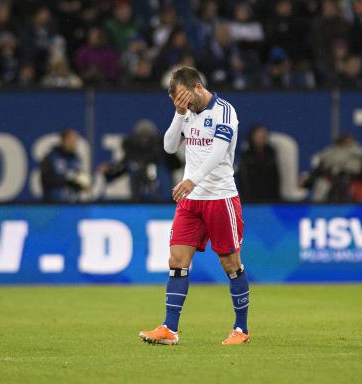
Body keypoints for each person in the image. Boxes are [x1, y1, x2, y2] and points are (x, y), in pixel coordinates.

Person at [139, 67, 250, 346]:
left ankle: (241, 329)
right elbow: (168, 146)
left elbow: (218, 152)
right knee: (177, 261)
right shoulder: (185, 111)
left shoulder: (225, 111)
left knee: (230, 263)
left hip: (220, 197)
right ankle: (170, 329)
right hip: (191, 201)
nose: (183, 105)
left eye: (184, 100)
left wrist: (192, 180)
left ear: (198, 87)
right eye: (177, 102)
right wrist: (178, 114)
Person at [98, 119, 181, 202]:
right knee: (134, 168)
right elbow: (120, 168)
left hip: (163, 201)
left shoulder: (163, 149)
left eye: (148, 140)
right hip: (138, 201)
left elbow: (177, 164)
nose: (145, 143)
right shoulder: (133, 154)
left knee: (159, 170)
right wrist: (108, 171)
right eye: (142, 140)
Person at [300, 133, 362, 203]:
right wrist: (308, 182)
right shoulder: (329, 154)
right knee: (322, 185)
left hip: (351, 190)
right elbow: (318, 172)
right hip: (331, 190)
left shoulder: (360, 155)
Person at [40, 128, 91, 202]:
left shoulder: (76, 159)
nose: (73, 143)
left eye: (75, 141)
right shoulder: (51, 157)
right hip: (54, 205)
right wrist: (67, 180)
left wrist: (82, 182)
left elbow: (82, 181)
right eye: (71, 140)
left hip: (73, 205)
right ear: (63, 140)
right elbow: (45, 179)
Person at [237, 125, 281, 202]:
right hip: (252, 200)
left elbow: (275, 178)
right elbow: (244, 181)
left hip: (271, 199)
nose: (261, 139)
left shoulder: (271, 154)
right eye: (258, 136)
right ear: (252, 137)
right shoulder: (246, 156)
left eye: (263, 136)